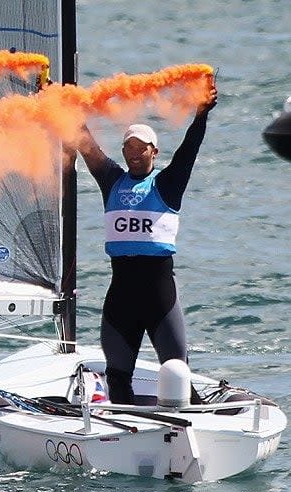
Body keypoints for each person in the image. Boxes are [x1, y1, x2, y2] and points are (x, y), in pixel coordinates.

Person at [77, 78, 218, 404]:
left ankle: (196, 430)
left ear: (154, 151)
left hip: (159, 298)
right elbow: (86, 145)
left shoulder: (168, 184)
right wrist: (59, 106)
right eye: (129, 147)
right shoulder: (112, 180)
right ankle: (122, 438)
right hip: (121, 297)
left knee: (177, 372)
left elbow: (189, 150)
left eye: (142, 148)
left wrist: (201, 114)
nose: (135, 153)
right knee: (117, 378)